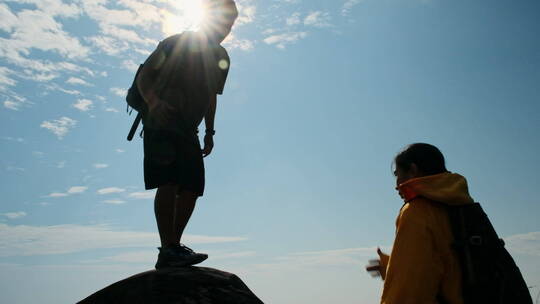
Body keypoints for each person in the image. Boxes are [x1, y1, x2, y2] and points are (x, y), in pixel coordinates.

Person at [136, 0, 238, 269]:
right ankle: (168, 248)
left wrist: (210, 131)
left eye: (230, 22)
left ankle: (174, 246)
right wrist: (154, 102)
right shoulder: (175, 43)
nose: (226, 27)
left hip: (189, 129)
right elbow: (144, 76)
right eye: (223, 19)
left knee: (192, 186)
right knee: (168, 181)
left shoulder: (222, 56)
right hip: (162, 122)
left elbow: (211, 97)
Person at [367, 143, 474, 304]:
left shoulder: (417, 213)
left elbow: (408, 295)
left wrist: (399, 272)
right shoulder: (462, 208)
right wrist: (392, 267)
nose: (396, 185)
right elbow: (450, 268)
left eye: (397, 174)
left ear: (413, 170)